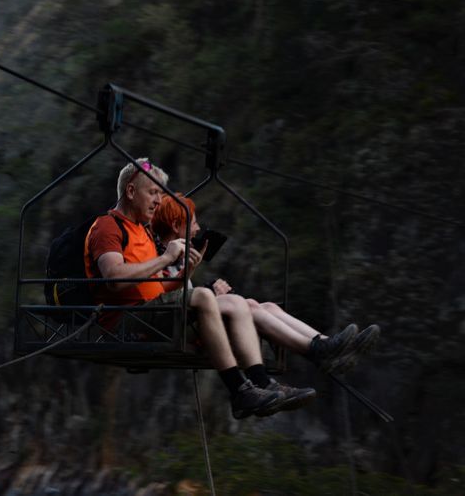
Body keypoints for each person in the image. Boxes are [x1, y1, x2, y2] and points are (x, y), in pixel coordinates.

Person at [84, 158, 316, 419]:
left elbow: (159, 287)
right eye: (153, 192)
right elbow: (113, 278)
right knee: (204, 295)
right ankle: (240, 391)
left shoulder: (143, 232)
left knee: (237, 302)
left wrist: (187, 272)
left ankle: (261, 383)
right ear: (130, 191)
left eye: (160, 194)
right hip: (125, 322)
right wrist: (165, 258)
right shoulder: (107, 227)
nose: (158, 201)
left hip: (152, 315)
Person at [150, 192, 380, 374]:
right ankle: (319, 351)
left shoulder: (176, 257)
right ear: (175, 225)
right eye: (193, 222)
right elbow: (166, 297)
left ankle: (326, 344)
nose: (198, 229)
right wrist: (207, 290)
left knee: (266, 306)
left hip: (191, 318)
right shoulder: (160, 258)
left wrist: (210, 289)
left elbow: (182, 292)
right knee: (249, 307)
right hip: (185, 327)